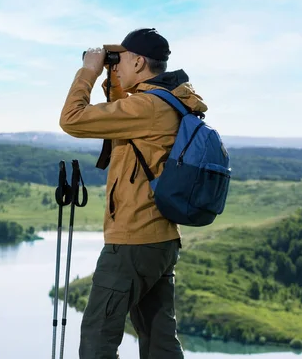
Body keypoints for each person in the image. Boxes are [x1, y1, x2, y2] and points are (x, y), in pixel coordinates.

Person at [59, 28, 208, 359]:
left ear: (140, 61)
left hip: (133, 241)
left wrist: (88, 71)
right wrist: (114, 79)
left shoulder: (148, 107)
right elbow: (123, 119)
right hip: (161, 238)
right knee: (159, 340)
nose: (117, 64)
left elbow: (72, 120)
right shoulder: (167, 101)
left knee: (98, 338)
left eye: (122, 59)